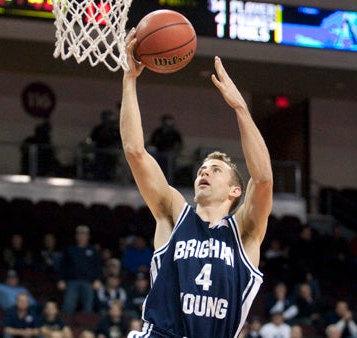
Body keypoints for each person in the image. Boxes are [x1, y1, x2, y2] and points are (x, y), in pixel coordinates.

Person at [120, 29, 273, 337]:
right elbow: (135, 152)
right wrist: (129, 79)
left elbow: (264, 178)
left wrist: (240, 108)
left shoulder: (244, 232)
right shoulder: (175, 213)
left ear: (235, 191)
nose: (204, 172)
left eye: (216, 170)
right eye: (202, 168)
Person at [57, 225, 103, 314]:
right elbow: (62, 266)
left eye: (84, 234)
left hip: (88, 282)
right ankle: (66, 326)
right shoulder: (70, 250)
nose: (82, 236)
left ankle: (87, 327)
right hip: (72, 282)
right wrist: (61, 279)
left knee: (88, 307)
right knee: (68, 306)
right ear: (76, 236)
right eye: (80, 234)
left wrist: (98, 279)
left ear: (88, 236)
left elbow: (98, 267)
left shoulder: (93, 251)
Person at [148, 114, 183, 179]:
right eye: (167, 121)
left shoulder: (174, 133)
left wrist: (176, 152)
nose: (168, 123)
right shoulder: (158, 131)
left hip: (169, 154)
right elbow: (151, 142)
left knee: (169, 168)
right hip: (158, 153)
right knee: (156, 165)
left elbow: (179, 144)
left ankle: (169, 181)